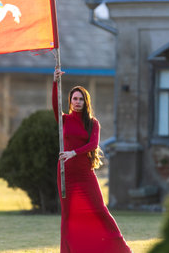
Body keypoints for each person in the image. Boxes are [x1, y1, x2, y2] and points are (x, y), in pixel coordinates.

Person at [53, 68, 132, 253]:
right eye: (74, 99)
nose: (78, 102)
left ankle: (121, 249)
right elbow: (55, 105)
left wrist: (73, 153)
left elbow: (93, 145)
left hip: (85, 172)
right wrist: (55, 82)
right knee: (69, 215)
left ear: (85, 101)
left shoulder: (93, 123)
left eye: (81, 99)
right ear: (70, 101)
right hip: (66, 173)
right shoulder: (63, 120)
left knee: (99, 210)